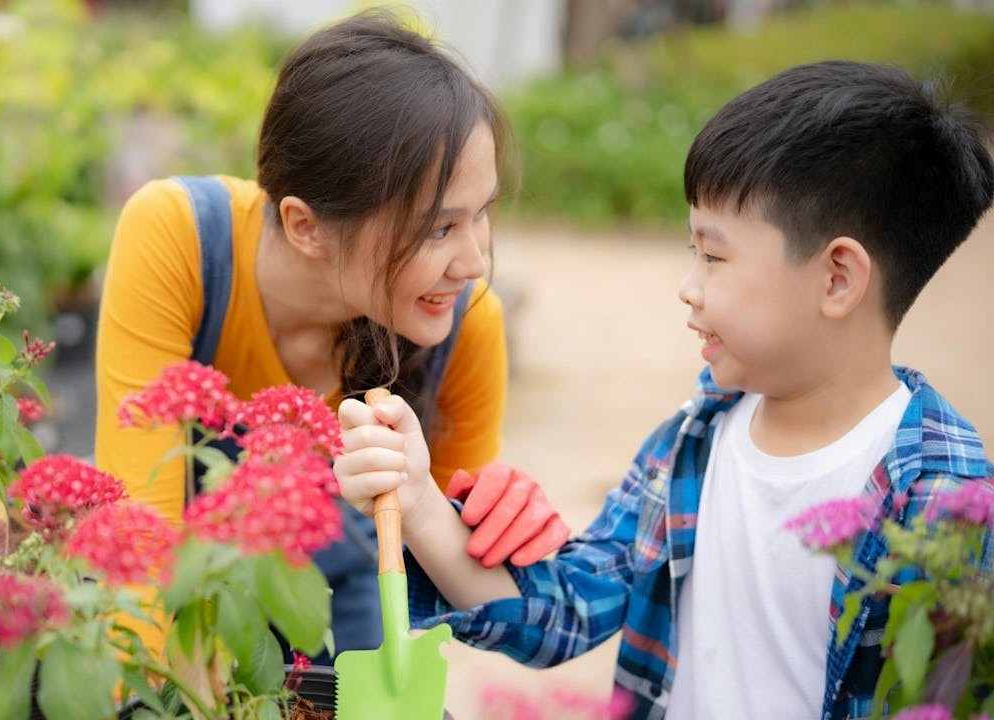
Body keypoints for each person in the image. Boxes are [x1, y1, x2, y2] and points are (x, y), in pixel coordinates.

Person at [335, 60, 994, 718]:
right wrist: (417, 498)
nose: (690, 286)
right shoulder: (698, 439)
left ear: (837, 278)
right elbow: (566, 607)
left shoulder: (944, 494)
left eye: (714, 256)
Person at [94, 10, 569, 660]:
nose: (476, 263)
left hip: (340, 660)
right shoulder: (181, 241)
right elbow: (140, 540)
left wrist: (484, 536)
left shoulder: (465, 326)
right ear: (305, 226)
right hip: (180, 647)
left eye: (480, 215)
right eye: (438, 228)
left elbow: (454, 601)